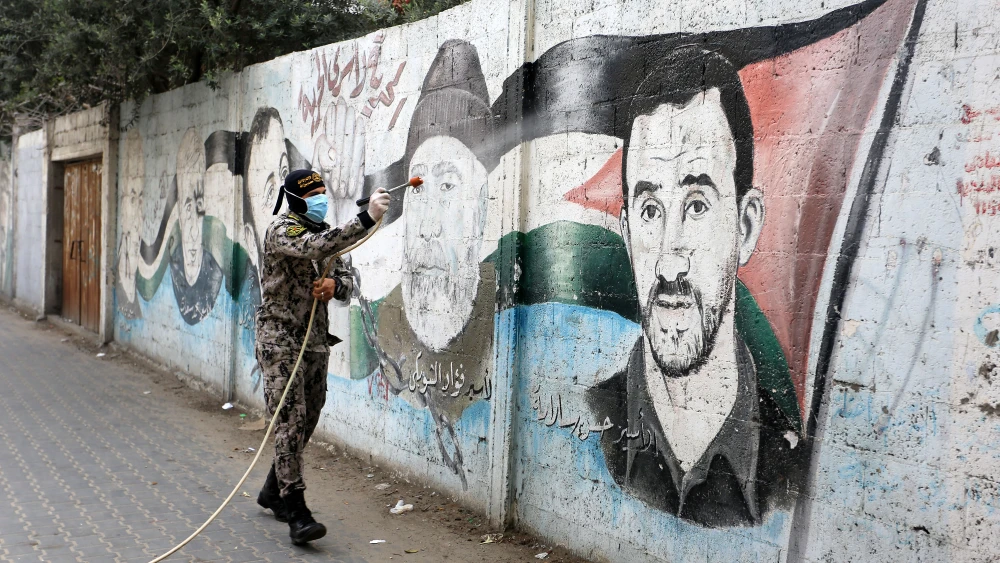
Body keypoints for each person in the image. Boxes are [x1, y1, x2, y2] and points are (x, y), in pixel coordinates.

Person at [588, 47, 802, 527]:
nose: (669, 261)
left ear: (744, 228)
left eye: (697, 205)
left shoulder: (792, 472)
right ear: (626, 235)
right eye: (650, 210)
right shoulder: (589, 423)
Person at [254, 168, 389, 545]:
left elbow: (345, 278)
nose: (319, 199)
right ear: (295, 199)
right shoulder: (283, 230)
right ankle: (297, 512)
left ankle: (272, 490)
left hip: (314, 342)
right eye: (311, 194)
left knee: (309, 416)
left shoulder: (326, 232)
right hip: (279, 340)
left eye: (321, 192)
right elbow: (316, 247)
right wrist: (367, 218)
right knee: (290, 419)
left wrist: (335, 285)